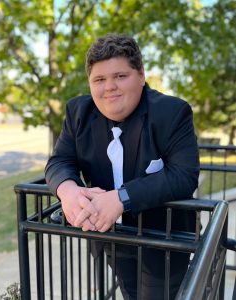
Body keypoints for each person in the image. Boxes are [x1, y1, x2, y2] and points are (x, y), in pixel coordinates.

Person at [45, 33, 199, 300]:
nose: (109, 87)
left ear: (141, 75)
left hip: (163, 243)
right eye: (100, 79)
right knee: (129, 293)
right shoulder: (77, 113)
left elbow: (184, 175)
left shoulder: (173, 112)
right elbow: (60, 161)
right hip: (111, 239)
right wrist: (68, 191)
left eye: (120, 76)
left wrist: (121, 198)